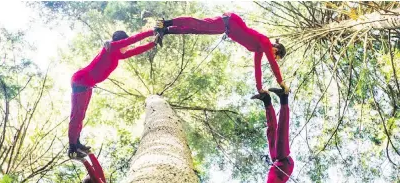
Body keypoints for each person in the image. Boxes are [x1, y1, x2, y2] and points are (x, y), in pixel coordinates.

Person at [209, 87, 294, 183]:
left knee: (271, 132)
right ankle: (284, 98)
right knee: (281, 134)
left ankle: (267, 101)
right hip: (284, 165)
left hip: (276, 163)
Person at [68, 30, 161, 159]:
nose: (128, 47)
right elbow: (134, 39)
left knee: (81, 114)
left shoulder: (117, 54)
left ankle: (76, 142)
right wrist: (153, 32)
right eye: (125, 44)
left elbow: (135, 51)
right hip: (80, 80)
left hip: (87, 85)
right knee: (77, 114)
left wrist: (152, 44)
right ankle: (72, 147)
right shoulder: (112, 47)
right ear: (120, 42)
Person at [155, 13, 288, 94]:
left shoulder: (259, 50)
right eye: (277, 57)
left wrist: (259, 88)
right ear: (276, 50)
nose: (274, 59)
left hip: (225, 29)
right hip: (229, 22)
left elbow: (258, 68)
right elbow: (272, 64)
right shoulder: (265, 41)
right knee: (198, 24)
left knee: (196, 30)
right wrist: (281, 83)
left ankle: (165, 31)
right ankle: (164, 22)